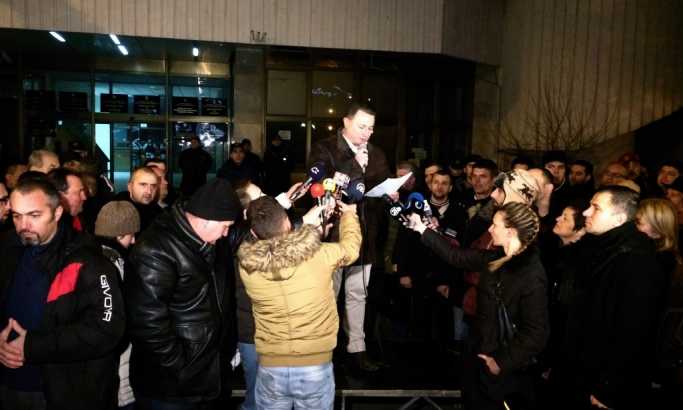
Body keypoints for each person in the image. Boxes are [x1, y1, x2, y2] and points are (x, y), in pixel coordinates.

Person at [404, 202, 549, 410]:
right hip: (480, 355)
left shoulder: (531, 274)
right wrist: (421, 228)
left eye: (495, 225)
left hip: (502, 372)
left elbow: (536, 333)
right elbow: (456, 256)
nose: (490, 229)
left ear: (510, 232)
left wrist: (500, 362)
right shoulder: (496, 258)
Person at [0, 176, 125, 409]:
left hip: (63, 391)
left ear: (57, 213)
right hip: (8, 384)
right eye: (17, 216)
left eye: (34, 215)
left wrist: (34, 346)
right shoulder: (8, 248)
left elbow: (107, 328)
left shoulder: (89, 260)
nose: (23, 225)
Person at [125, 179, 241, 409]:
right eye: (225, 226)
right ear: (206, 220)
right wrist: (182, 366)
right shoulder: (155, 250)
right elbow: (147, 324)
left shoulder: (208, 240)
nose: (226, 233)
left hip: (207, 376)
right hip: (171, 387)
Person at [239, 197, 361, 409]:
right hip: (314, 365)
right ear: (287, 222)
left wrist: (307, 230)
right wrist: (349, 215)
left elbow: (279, 248)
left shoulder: (247, 267)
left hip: (270, 367)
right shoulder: (319, 254)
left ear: (254, 233)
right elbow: (351, 249)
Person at [308, 103, 392, 372]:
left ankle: (357, 348)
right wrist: (356, 165)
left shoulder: (376, 153)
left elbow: (381, 185)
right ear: (346, 122)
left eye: (371, 128)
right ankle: (326, 349)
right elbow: (324, 185)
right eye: (362, 126)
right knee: (328, 295)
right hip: (332, 237)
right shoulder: (324, 149)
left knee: (358, 295)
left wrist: (390, 193)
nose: (367, 133)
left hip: (365, 234)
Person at [568, 186, 668, 409]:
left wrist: (610, 387)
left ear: (619, 219)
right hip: (585, 368)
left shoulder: (637, 260)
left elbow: (634, 330)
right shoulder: (602, 247)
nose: (586, 212)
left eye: (596, 208)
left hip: (603, 381)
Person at [635, 198, 683, 408]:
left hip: (651, 351)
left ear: (657, 228)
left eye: (638, 222)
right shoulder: (660, 257)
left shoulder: (660, 262)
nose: (633, 227)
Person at [94, 201, 141, 410]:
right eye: (131, 235)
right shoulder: (116, 263)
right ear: (120, 234)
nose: (134, 241)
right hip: (117, 357)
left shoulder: (87, 254)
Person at [115, 166, 162, 232]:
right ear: (130, 187)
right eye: (143, 184)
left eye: (153, 186)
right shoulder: (115, 209)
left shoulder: (158, 211)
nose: (149, 191)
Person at [47, 168, 90, 233]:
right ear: (60, 196)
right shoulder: (50, 231)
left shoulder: (80, 219)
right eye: (79, 192)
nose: (84, 197)